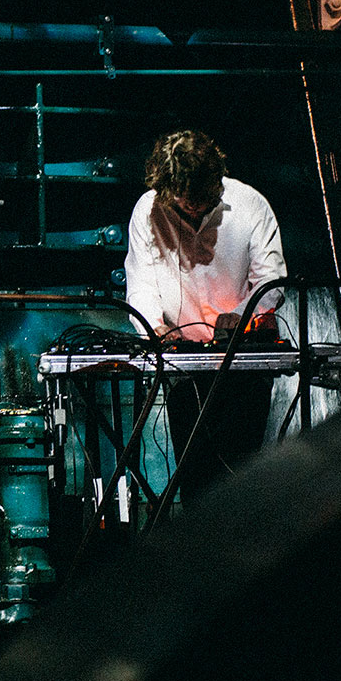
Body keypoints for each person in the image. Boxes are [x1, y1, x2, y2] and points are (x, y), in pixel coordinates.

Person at [123, 128, 287, 501]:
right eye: (184, 203)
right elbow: (142, 284)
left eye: (202, 200)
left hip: (243, 365)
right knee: (196, 485)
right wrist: (157, 327)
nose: (194, 209)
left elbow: (272, 281)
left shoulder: (250, 204)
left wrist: (241, 316)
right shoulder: (147, 212)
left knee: (242, 479)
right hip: (185, 368)